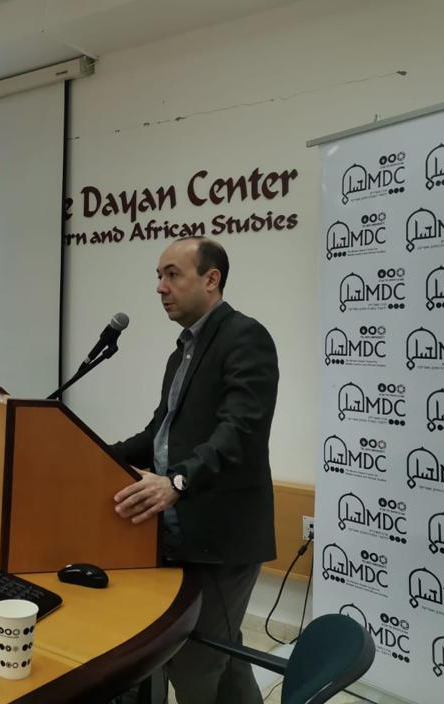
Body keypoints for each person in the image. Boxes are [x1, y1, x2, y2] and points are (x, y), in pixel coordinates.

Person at [111, 237, 278, 704]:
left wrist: (178, 481)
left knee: (195, 664)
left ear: (211, 279)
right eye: (158, 277)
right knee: (222, 650)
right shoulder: (182, 351)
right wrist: (91, 454)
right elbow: (158, 433)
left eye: (172, 275)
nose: (160, 288)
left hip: (220, 537)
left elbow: (240, 429)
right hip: (179, 531)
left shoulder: (244, 337)